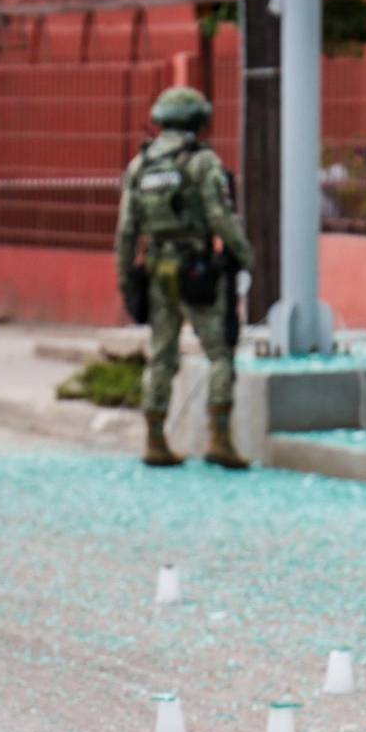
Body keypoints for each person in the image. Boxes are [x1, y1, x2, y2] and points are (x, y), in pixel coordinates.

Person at [115, 84, 256, 469]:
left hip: (157, 268)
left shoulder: (140, 165)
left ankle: (155, 439)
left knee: (161, 355)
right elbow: (220, 216)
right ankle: (220, 439)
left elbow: (127, 230)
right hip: (198, 270)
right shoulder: (202, 161)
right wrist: (245, 254)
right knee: (220, 352)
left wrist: (126, 279)